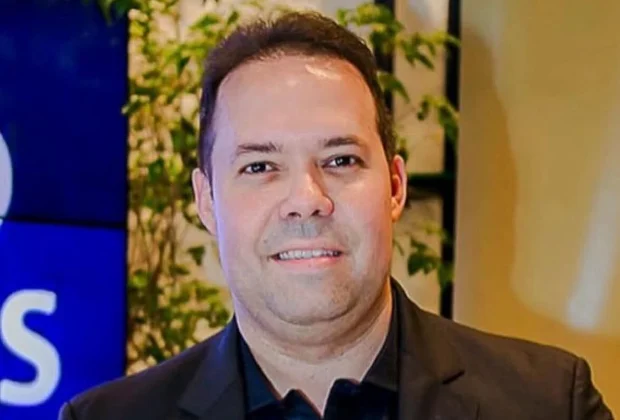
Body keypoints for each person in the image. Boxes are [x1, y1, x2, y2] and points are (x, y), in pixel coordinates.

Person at [59, 11, 613, 420]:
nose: (307, 198)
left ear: (394, 185)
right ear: (207, 201)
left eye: (341, 160)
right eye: (260, 166)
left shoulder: (549, 402)